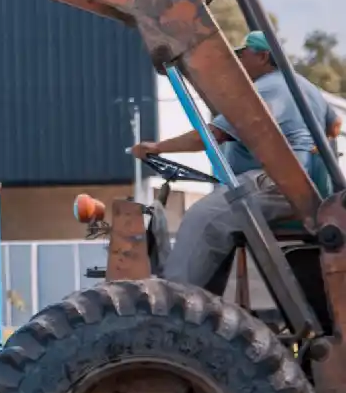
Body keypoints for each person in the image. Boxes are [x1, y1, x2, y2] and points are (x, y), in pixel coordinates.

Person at [131, 31, 341, 291]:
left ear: (263, 56)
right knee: (221, 210)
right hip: (296, 184)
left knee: (205, 218)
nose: (238, 60)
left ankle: (173, 299)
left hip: (277, 183)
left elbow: (212, 136)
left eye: (243, 54)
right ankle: (198, 301)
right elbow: (335, 125)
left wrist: (158, 147)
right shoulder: (304, 85)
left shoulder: (268, 88)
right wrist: (312, 148)